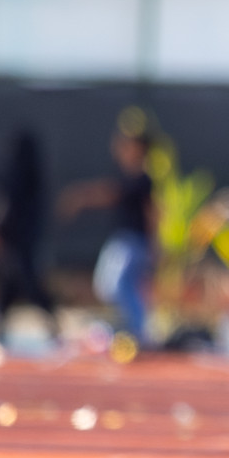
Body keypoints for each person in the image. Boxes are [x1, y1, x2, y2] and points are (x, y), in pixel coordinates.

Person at [59, 121, 156, 342]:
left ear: (139, 149)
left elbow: (149, 211)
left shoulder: (142, 178)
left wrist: (155, 244)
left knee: (117, 285)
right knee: (109, 285)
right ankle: (132, 328)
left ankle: (138, 331)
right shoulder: (125, 175)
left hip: (134, 242)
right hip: (121, 240)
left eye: (128, 145)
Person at [0, 131, 60, 345]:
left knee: (23, 279)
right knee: (12, 280)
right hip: (23, 240)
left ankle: (49, 323)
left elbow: (4, 205)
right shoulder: (32, 176)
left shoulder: (19, 177)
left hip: (18, 241)